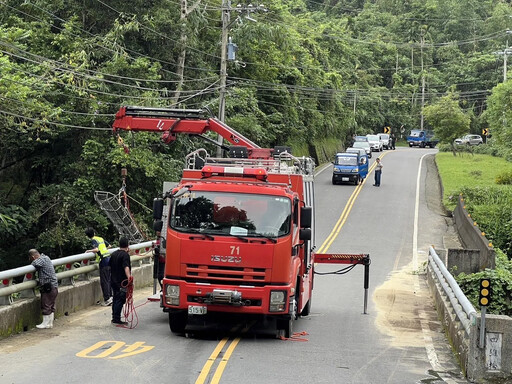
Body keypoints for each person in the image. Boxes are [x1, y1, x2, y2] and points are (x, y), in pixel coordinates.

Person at [29, 249, 58, 329]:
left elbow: (35, 263)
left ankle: (45, 323)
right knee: (51, 305)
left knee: (46, 304)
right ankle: (50, 323)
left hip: (48, 286)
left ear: (33, 257)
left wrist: (32, 262)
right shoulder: (46, 258)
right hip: (54, 286)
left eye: (31, 258)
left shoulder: (41, 260)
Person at [85, 228, 112, 306]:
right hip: (108, 258)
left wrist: (89, 251)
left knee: (104, 281)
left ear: (87, 236)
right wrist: (103, 249)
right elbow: (109, 246)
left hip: (103, 260)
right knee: (109, 279)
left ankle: (107, 299)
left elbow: (96, 249)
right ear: (94, 232)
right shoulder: (100, 238)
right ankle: (111, 297)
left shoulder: (93, 240)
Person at [109, 236, 132, 325]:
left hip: (113, 280)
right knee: (120, 299)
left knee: (115, 298)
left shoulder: (114, 254)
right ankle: (117, 319)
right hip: (121, 282)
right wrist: (129, 278)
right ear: (127, 245)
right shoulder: (125, 255)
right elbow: (126, 267)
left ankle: (114, 317)